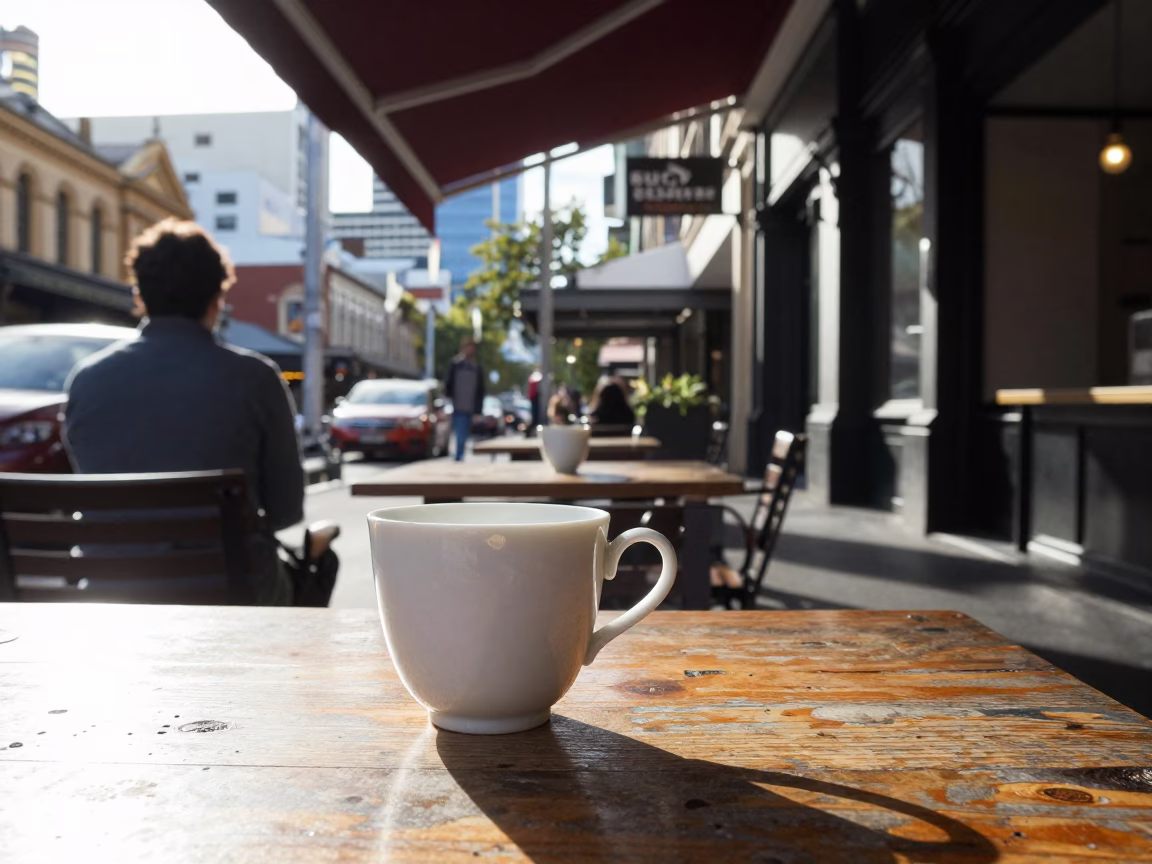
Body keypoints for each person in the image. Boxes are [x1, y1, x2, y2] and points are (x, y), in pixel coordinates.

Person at [64, 219, 304, 605]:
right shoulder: (255, 378)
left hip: (111, 592)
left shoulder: (87, 379)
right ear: (217, 298)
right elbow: (285, 511)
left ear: (139, 294)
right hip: (230, 597)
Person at [444, 337, 485, 460]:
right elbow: (448, 385)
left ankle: (459, 455)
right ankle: (459, 457)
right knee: (460, 434)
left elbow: (480, 390)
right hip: (458, 406)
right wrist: (448, 401)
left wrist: (478, 410)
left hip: (470, 407)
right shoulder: (456, 365)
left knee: (464, 434)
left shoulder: (477, 368)